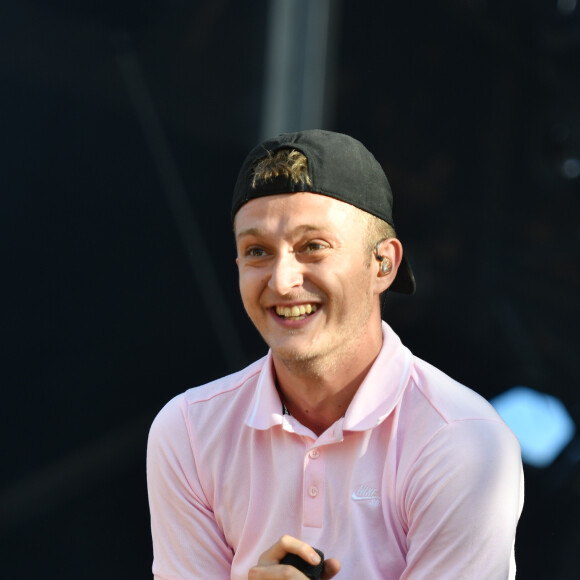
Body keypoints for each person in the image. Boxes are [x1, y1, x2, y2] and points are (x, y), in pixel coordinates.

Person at [147, 129, 524, 579]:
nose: (282, 280)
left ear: (383, 264)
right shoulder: (187, 430)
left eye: (313, 246)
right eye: (257, 251)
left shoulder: (462, 439)